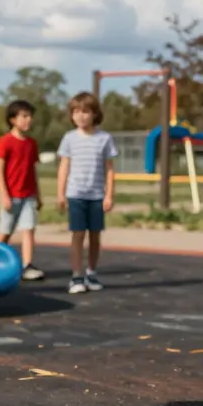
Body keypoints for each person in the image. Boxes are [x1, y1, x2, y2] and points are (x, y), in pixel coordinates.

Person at [56, 91, 118, 295]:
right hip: (76, 194)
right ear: (72, 115)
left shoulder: (104, 138)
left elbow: (109, 168)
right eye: (76, 112)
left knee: (95, 236)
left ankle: (91, 273)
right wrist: (61, 194)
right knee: (77, 235)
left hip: (97, 195)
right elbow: (64, 167)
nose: (81, 116)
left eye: (85, 112)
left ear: (94, 114)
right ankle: (76, 276)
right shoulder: (69, 138)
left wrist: (109, 195)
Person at [0, 99, 44, 281]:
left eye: (30, 116)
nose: (28, 119)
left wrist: (38, 195)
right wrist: (4, 195)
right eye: (24, 116)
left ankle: (27, 265)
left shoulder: (31, 143)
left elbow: (33, 171)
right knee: (6, 232)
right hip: (11, 196)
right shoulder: (5, 141)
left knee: (29, 229)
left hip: (28, 195)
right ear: (13, 119)